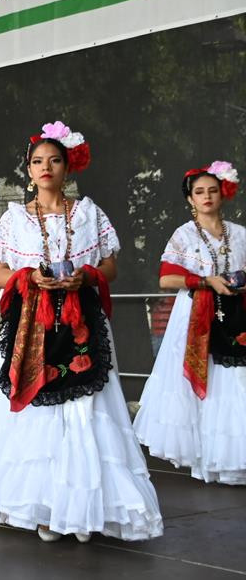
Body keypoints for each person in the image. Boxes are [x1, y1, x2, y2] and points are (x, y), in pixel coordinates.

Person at [0, 121, 162, 543]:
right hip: (32, 322)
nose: (46, 167)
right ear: (28, 170)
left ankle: (83, 509)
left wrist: (85, 275)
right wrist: (27, 275)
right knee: (35, 409)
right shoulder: (13, 220)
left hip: (81, 318)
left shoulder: (88, 213)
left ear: (68, 166)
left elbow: (111, 266)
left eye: (54, 160)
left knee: (87, 409)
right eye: (38, 161)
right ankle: (45, 506)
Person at [134, 161, 246, 484]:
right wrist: (205, 281)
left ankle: (235, 457)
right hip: (197, 314)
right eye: (200, 192)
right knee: (207, 381)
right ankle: (210, 459)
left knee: (236, 379)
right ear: (190, 199)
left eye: (212, 190)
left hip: (236, 312)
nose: (207, 197)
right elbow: (167, 278)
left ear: (223, 194)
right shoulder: (183, 235)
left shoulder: (239, 234)